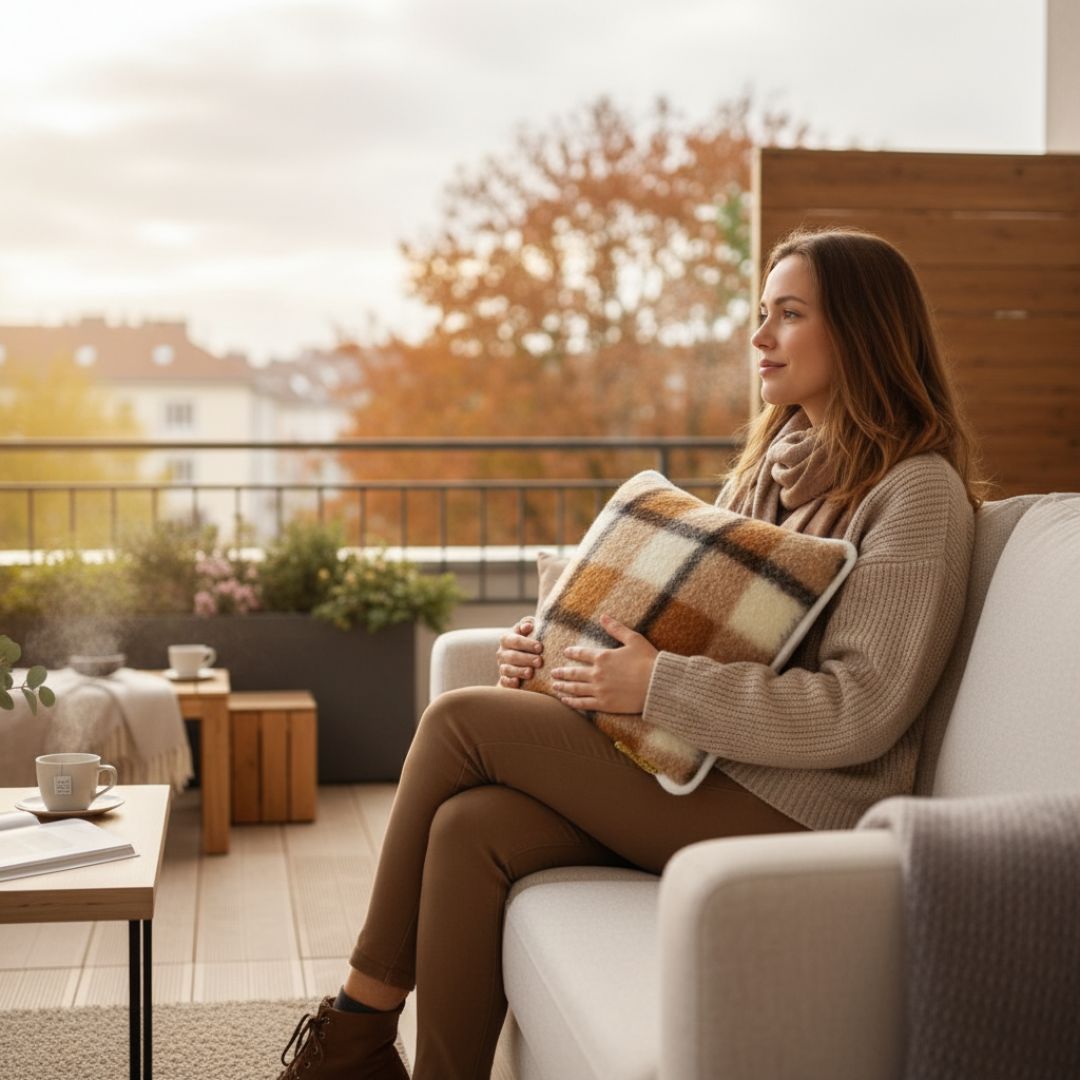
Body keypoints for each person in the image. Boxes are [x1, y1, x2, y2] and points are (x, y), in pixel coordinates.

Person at [276, 227, 982, 1080]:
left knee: (459, 722)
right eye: (761, 313)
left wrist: (657, 685)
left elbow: (860, 710)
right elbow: (691, 629)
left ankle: (354, 1032)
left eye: (788, 315)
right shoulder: (768, 473)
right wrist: (560, 660)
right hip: (705, 774)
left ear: (865, 332)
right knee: (471, 828)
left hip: (802, 811)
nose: (758, 337)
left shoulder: (917, 493)